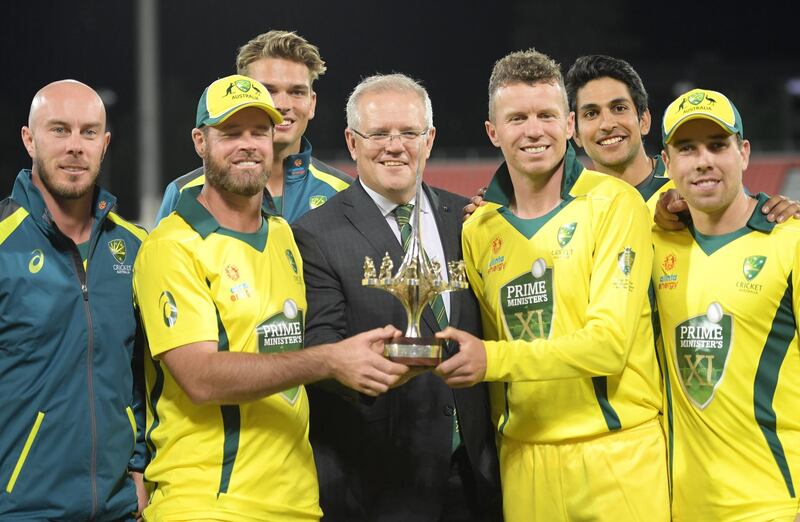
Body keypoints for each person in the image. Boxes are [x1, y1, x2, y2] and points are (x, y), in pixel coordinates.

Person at [133, 75, 407, 520]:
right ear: (200, 141)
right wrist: (330, 360)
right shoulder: (172, 246)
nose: (248, 145)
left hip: (297, 501)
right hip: (209, 504)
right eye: (230, 133)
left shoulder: (283, 235)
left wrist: (378, 362)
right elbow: (199, 377)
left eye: (259, 132)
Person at [436, 49, 669, 521]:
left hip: (617, 456)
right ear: (492, 132)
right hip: (523, 460)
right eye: (517, 118)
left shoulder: (615, 205)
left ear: (567, 125)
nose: (534, 130)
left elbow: (607, 346)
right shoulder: (480, 229)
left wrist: (491, 360)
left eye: (546, 115)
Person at [292, 74, 501, 522]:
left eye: (409, 133)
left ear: (429, 140)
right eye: (379, 133)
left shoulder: (469, 220)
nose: (395, 146)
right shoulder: (315, 234)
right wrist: (366, 370)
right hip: (379, 481)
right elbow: (318, 351)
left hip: (475, 477)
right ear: (352, 142)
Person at [0, 80, 147, 519]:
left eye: (88, 133)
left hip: (120, 508)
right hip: (22, 508)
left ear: (104, 144)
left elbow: (142, 378)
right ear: (29, 138)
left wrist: (139, 470)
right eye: (59, 130)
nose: (75, 146)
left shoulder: (137, 248)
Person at [653, 88, 800, 521]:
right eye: (686, 148)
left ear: (744, 153)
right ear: (666, 163)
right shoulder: (651, 240)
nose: (703, 161)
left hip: (774, 505)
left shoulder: (790, 242)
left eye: (718, 145)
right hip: (681, 508)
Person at [156, 30, 350, 225]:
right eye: (268, 91)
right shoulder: (184, 193)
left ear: (312, 104)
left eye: (297, 92)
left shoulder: (343, 191)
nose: (283, 104)